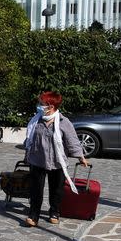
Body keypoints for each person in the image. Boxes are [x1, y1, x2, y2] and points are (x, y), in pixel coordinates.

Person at [23, 91, 89, 227]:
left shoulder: (64, 122)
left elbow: (72, 140)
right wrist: (27, 156)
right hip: (37, 160)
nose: (38, 106)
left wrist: (80, 156)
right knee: (36, 189)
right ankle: (33, 214)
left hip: (57, 161)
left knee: (57, 189)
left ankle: (54, 211)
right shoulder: (35, 120)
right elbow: (29, 140)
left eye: (41, 104)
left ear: (50, 106)